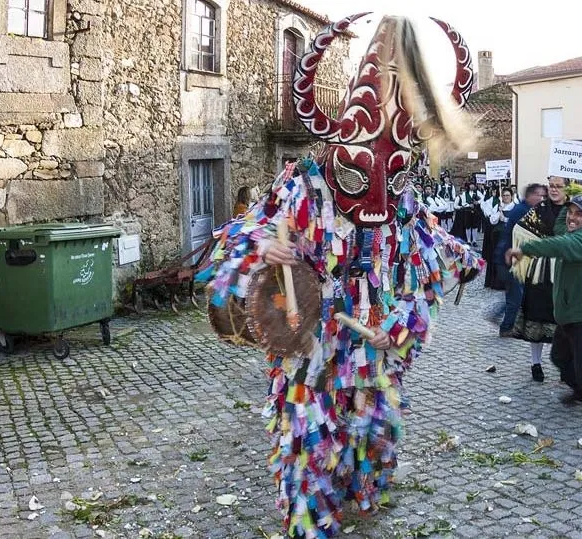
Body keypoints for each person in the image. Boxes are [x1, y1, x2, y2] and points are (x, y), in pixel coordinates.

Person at [197, 14, 484, 538]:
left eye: (392, 174)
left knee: (374, 436)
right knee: (309, 446)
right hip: (311, 354)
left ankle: (363, 491)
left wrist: (400, 323)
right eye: (359, 172)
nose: (376, 195)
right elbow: (236, 243)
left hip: (374, 351)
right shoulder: (301, 189)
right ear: (335, 153)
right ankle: (312, 522)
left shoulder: (404, 205)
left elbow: (430, 272)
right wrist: (265, 251)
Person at [507, 195, 582, 430]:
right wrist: (565, 196)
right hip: (567, 317)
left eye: (579, 214)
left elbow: (556, 245)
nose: (572, 217)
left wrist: (525, 249)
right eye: (571, 212)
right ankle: (581, 391)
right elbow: (560, 227)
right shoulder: (569, 231)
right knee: (558, 358)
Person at [506, 176, 569, 381]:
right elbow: (520, 229)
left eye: (558, 186)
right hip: (540, 271)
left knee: (563, 321)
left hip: (564, 270)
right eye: (551, 186)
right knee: (537, 317)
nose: (554, 190)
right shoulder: (540, 208)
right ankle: (536, 364)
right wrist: (536, 244)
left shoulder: (573, 209)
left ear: (567, 188)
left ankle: (564, 365)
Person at [496, 183, 546, 337]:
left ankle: (499, 316)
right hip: (509, 259)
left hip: (516, 260)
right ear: (530, 195)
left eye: (543, 195)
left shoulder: (528, 210)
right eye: (539, 194)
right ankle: (506, 328)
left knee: (518, 294)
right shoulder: (522, 211)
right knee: (516, 297)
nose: (541, 198)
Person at [485, 187, 516, 290]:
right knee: (496, 258)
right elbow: (492, 221)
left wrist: (505, 219)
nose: (505, 197)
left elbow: (517, 222)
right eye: (504, 195)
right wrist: (499, 213)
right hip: (497, 237)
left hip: (508, 237)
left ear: (511, 196)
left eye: (507, 195)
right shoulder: (498, 207)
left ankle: (505, 282)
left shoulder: (514, 208)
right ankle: (495, 282)